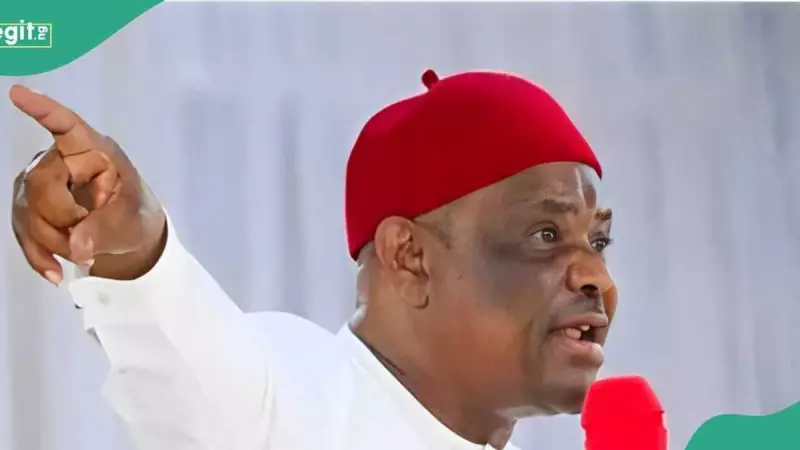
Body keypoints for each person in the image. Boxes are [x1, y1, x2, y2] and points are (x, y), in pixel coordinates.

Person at [9, 69, 618, 450]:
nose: (596, 276)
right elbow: (192, 370)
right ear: (410, 258)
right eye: (545, 234)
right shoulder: (290, 402)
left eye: (598, 241)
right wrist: (130, 239)